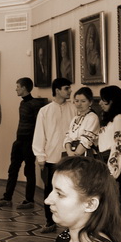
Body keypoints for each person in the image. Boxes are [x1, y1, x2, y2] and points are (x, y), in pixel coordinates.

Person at [32, 77, 75, 232]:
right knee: (50, 190)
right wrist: (40, 156)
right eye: (66, 88)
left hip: (70, 157)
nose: (70, 91)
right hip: (51, 158)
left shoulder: (74, 109)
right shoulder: (45, 111)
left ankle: (70, 222)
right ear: (57, 90)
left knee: (70, 190)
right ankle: (50, 222)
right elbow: (39, 134)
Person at [0, 78, 45, 209]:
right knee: (12, 170)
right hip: (19, 141)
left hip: (29, 142)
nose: (16, 89)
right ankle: (7, 198)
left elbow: (38, 126)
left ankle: (29, 200)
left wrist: (35, 143)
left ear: (24, 88)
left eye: (18, 87)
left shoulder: (35, 104)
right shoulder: (22, 103)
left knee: (29, 171)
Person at [98, 85, 121, 215]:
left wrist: (112, 171)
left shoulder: (120, 118)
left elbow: (118, 145)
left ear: (112, 101)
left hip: (111, 164)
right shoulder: (112, 119)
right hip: (104, 161)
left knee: (113, 203)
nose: (100, 103)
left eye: (103, 100)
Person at [63, 86, 99, 158]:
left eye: (83, 101)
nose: (79, 104)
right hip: (72, 154)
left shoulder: (92, 117)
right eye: (77, 101)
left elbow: (87, 140)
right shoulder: (75, 118)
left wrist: (75, 155)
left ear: (90, 102)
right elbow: (68, 137)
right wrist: (69, 152)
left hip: (85, 155)